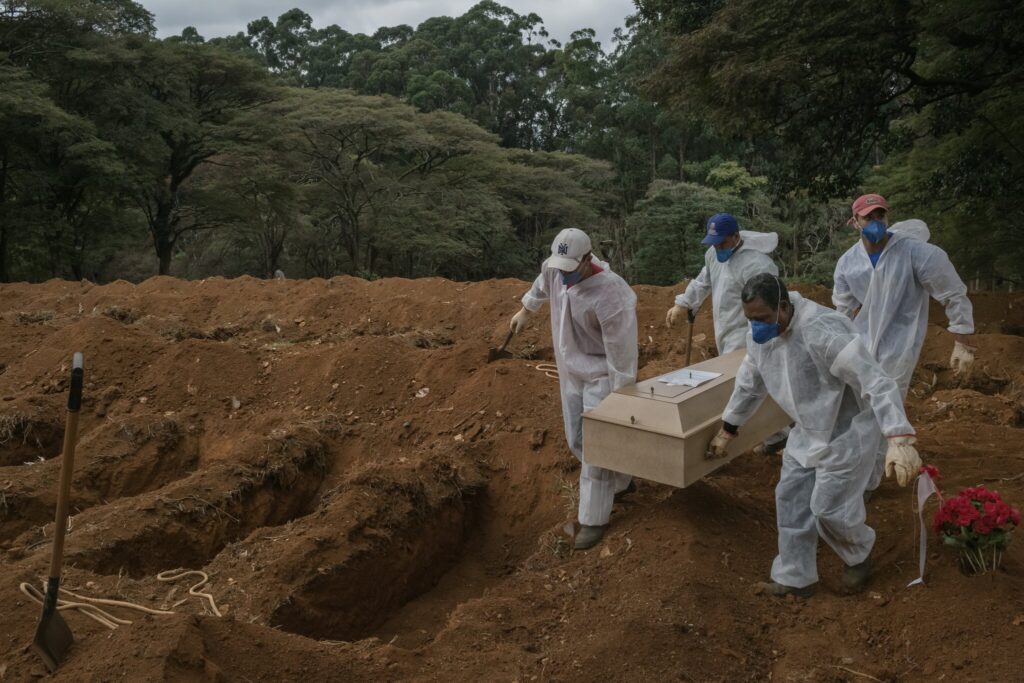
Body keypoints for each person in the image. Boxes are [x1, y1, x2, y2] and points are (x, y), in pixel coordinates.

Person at [706, 274, 920, 597]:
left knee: (828, 509)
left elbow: (875, 381)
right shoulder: (759, 335)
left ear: (783, 306)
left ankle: (858, 553)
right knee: (790, 499)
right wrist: (728, 428)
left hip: (846, 432)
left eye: (762, 319)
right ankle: (795, 577)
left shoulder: (822, 330)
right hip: (806, 430)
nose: (755, 326)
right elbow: (750, 382)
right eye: (749, 320)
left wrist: (898, 439)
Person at [833, 193, 975, 492]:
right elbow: (842, 310)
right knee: (854, 406)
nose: (875, 222)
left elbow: (952, 293)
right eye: (868, 217)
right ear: (854, 222)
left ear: (887, 217)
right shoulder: (848, 263)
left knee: (880, 407)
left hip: (901, 343)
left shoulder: (916, 253)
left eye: (880, 216)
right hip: (861, 342)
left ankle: (866, 484)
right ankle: (852, 466)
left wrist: (962, 340)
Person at [509, 228, 638, 550]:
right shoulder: (557, 269)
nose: (563, 275)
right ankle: (622, 481)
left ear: (587, 260)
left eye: (570, 269)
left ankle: (593, 520)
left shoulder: (611, 295)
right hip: (570, 370)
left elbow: (622, 353)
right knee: (576, 438)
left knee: (596, 446)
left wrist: (621, 395)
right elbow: (543, 281)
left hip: (601, 376)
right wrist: (527, 310)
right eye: (559, 267)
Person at [665, 212, 788, 453]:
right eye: (714, 242)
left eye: (722, 242)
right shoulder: (713, 254)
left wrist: (763, 336)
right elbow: (703, 281)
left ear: (735, 236)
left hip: (750, 333)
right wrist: (684, 303)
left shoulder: (756, 264)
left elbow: (770, 302)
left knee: (748, 384)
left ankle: (771, 434)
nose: (717, 247)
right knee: (746, 385)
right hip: (725, 329)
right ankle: (775, 434)